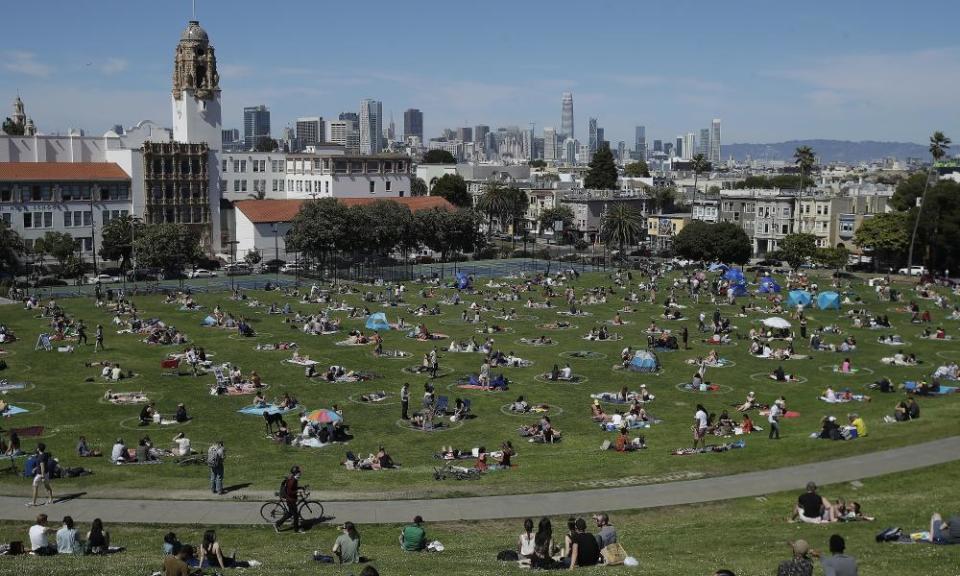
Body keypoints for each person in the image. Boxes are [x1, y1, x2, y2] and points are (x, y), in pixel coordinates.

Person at [275, 465, 304, 533]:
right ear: (295, 473)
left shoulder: (293, 479)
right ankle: (296, 530)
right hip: (291, 500)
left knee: (290, 514)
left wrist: (300, 488)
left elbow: (293, 488)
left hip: (290, 500)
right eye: (298, 472)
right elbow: (290, 491)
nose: (300, 474)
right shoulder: (292, 480)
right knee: (296, 515)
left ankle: (277, 524)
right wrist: (297, 492)